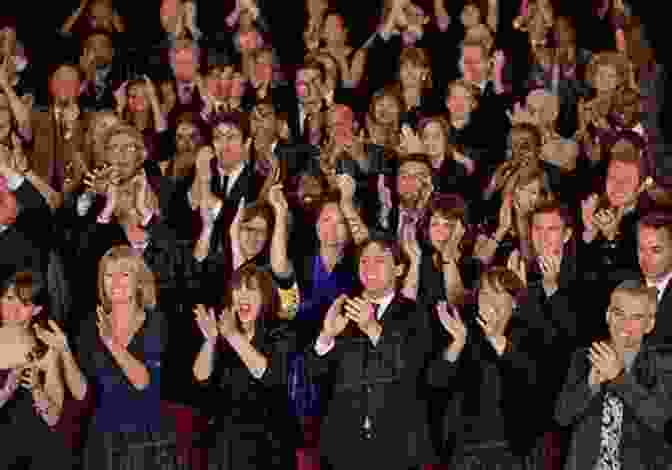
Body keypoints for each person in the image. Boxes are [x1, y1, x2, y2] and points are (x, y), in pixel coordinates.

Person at [307, 235, 435, 470]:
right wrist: (326, 337)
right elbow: (317, 377)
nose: (369, 267)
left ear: (398, 269)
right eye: (364, 261)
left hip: (397, 449)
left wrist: (373, 328)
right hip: (342, 450)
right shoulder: (344, 309)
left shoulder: (417, 313)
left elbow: (412, 371)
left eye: (379, 260)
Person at [65, 245, 178, 470]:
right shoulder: (89, 325)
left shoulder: (156, 321)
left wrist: (110, 342)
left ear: (138, 281)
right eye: (108, 275)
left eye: (123, 274)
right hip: (102, 438)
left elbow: (142, 382)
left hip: (146, 437)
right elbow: (81, 393)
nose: (115, 281)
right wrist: (64, 352)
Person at [555, 280, 672, 469]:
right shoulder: (583, 357)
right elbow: (562, 416)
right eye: (619, 314)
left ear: (649, 324)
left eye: (636, 318)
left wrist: (619, 377)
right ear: (608, 315)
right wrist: (590, 382)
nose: (625, 325)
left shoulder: (663, 364)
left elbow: (660, 421)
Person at [193, 264, 299, 470]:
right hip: (226, 447)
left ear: (265, 296)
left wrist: (233, 336)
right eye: (237, 290)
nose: (242, 297)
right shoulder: (225, 333)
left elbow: (268, 374)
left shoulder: (281, 333)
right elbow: (201, 377)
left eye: (250, 290)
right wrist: (211, 340)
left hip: (269, 447)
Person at [0, 271, 69, 470]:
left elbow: (54, 418)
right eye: (9, 298)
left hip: (39, 455)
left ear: (37, 309)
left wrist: (37, 389)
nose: (13, 309)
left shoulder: (47, 348)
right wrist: (6, 391)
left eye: (24, 304)